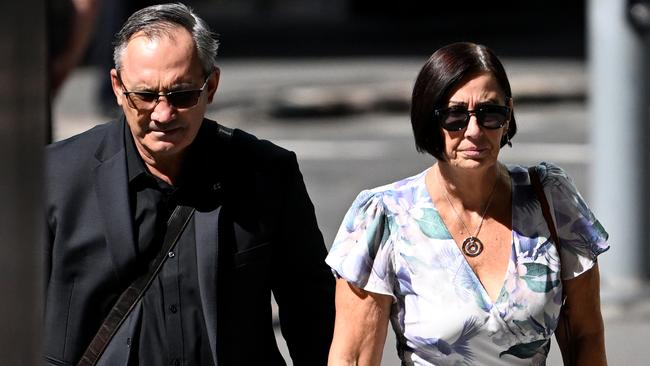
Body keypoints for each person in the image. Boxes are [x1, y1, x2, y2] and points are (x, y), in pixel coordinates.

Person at [44, 3, 335, 365]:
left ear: (210, 86)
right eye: (146, 96)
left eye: (181, 95)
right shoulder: (56, 177)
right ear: (118, 87)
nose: (163, 114)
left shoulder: (267, 172)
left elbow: (312, 311)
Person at [325, 42, 609, 366]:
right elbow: (352, 358)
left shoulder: (552, 199)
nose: (474, 131)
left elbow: (586, 335)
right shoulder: (384, 216)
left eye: (490, 114)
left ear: (508, 115)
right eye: (455, 115)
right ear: (429, 119)